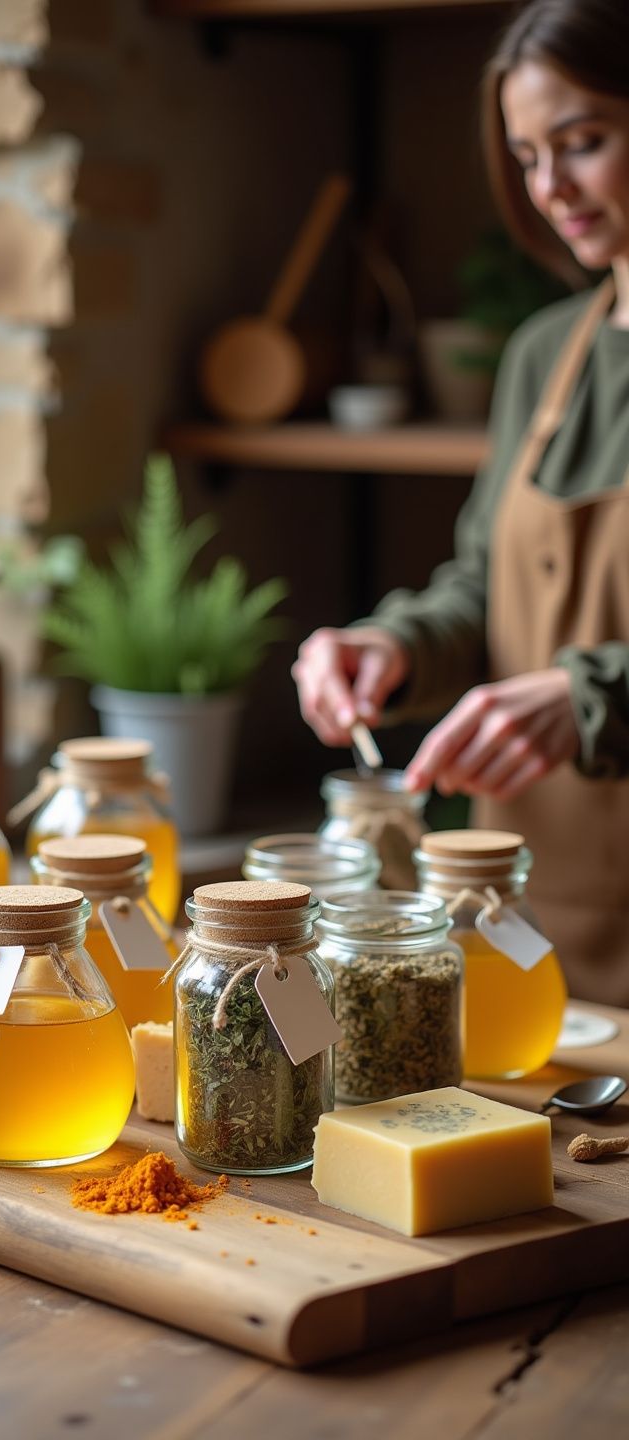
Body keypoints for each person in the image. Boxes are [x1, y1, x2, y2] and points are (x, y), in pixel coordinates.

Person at [291, 0, 629, 1005]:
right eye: (529, 156)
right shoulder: (546, 355)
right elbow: (488, 585)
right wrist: (394, 646)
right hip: (521, 937)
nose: (549, 187)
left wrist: (591, 696)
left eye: (583, 143)